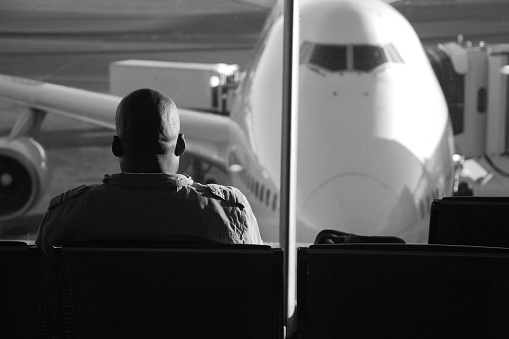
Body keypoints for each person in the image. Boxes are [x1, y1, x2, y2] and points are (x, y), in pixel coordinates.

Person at [36, 88, 262, 335]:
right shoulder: (229, 212)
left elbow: (40, 302)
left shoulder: (69, 216)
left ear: (116, 147)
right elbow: (259, 299)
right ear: (181, 145)